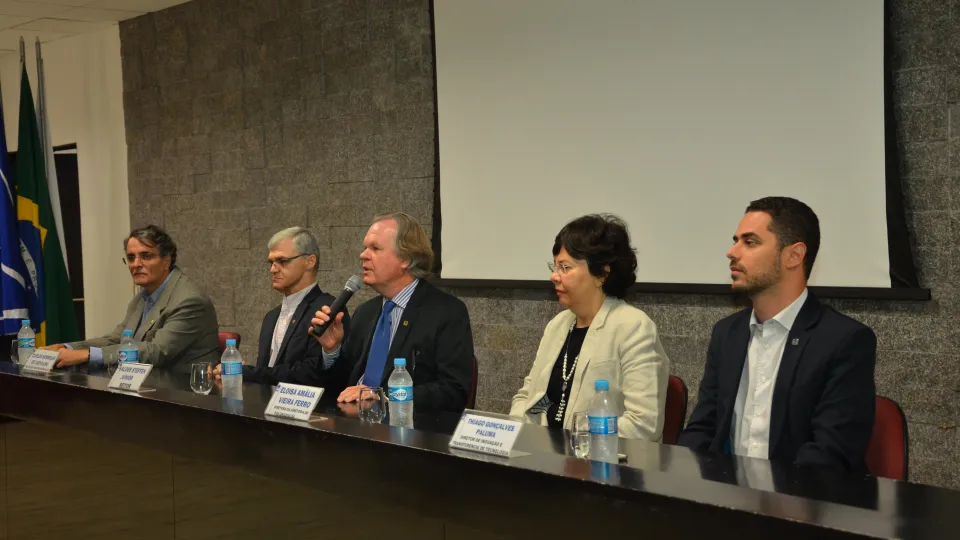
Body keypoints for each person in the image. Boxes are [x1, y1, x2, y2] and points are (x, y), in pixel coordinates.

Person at [678, 197, 876, 472]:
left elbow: (831, 453)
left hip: (803, 504)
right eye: (736, 240)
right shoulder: (728, 333)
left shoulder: (843, 340)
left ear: (794, 255)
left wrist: (769, 506)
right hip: (727, 501)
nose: (731, 252)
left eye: (750, 242)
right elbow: (702, 428)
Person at [510, 214, 670, 440]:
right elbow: (531, 397)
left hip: (604, 466)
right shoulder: (558, 325)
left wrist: (579, 441)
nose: (554, 276)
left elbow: (643, 424)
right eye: (554, 266)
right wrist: (525, 431)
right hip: (543, 458)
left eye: (565, 267)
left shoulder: (633, 327)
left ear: (602, 274)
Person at [310, 212, 474, 412]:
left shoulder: (446, 312)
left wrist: (384, 396)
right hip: (354, 426)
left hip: (409, 431)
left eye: (375, 248)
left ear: (405, 258)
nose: (363, 255)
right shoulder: (365, 312)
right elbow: (342, 385)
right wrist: (331, 350)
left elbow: (453, 390)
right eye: (365, 247)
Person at [45, 225, 220, 373]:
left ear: (167, 261)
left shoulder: (189, 301)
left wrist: (87, 355)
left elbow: (156, 352)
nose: (136, 264)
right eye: (131, 258)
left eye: (146, 256)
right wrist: (67, 348)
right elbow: (115, 340)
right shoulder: (142, 297)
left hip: (187, 395)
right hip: (150, 388)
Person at [216, 227, 350, 388]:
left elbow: (311, 372)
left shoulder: (327, 309)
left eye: (282, 261)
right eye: (271, 262)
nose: (272, 269)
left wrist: (248, 372)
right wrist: (236, 373)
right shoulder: (271, 317)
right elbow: (265, 372)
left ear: (310, 261)